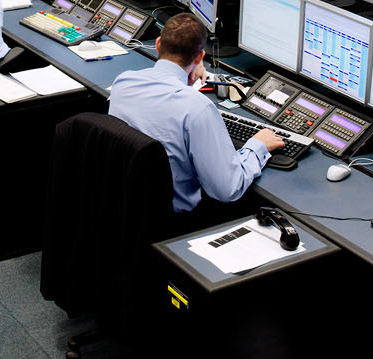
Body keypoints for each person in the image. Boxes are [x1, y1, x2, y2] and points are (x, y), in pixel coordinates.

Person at [108, 14, 284, 213]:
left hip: (126, 206)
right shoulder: (197, 109)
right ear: (200, 57)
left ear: (158, 44)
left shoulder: (123, 82)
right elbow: (227, 190)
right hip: (173, 223)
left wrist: (188, 71)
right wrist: (257, 146)